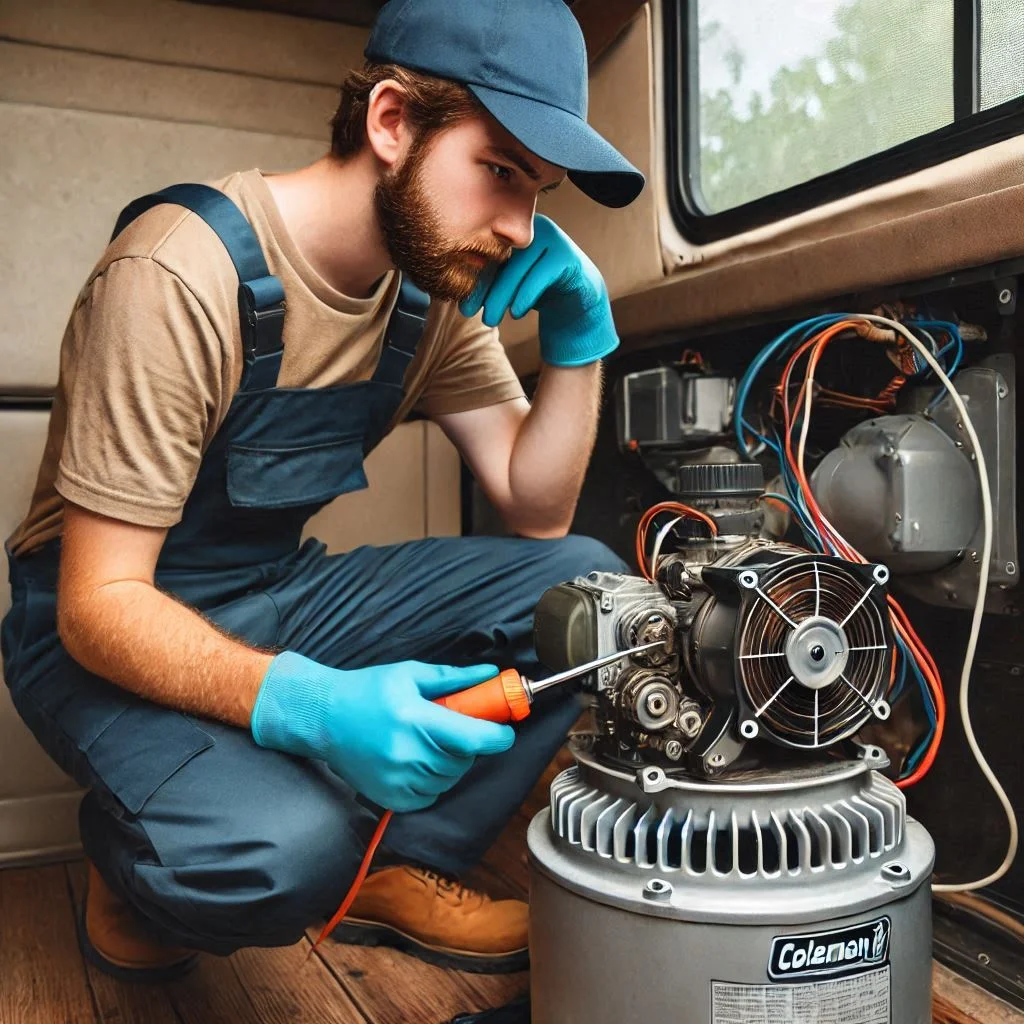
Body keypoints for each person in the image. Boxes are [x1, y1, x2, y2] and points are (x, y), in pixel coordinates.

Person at [1, 0, 643, 982]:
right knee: (277, 852)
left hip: (271, 589)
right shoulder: (180, 271)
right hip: (92, 623)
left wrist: (580, 330)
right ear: (391, 122)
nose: (520, 227)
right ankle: (135, 866)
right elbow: (98, 605)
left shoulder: (433, 289)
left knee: (589, 598)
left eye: (541, 191)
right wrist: (313, 707)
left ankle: (398, 865)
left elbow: (535, 506)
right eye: (501, 171)